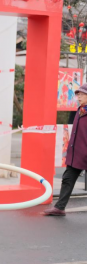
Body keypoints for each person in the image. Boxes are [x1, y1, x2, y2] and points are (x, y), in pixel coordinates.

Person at [44, 84, 87, 216]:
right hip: (76, 154)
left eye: (82, 94)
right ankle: (59, 207)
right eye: (77, 94)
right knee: (67, 179)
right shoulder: (79, 111)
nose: (78, 97)